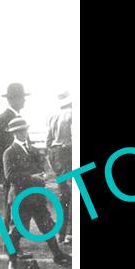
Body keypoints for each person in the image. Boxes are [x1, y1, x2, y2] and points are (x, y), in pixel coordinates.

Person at [3, 116, 72, 269]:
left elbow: (41, 168)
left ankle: (57, 254)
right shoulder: (9, 152)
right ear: (14, 134)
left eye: (24, 130)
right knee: (18, 230)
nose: (23, 133)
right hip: (20, 198)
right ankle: (11, 265)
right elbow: (10, 176)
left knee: (47, 226)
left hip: (36, 196)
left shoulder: (33, 150)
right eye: (19, 131)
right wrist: (35, 178)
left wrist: (43, 175)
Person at [0, 83, 28, 197]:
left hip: (21, 170)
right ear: (13, 100)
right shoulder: (3, 119)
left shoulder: (17, 118)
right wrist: (0, 170)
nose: (24, 100)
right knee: (11, 202)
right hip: (10, 170)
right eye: (21, 97)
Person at [46, 91, 73, 244]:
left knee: (64, 195)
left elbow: (48, 142)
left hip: (57, 155)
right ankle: (70, 233)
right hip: (69, 152)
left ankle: (62, 234)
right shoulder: (72, 114)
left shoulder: (53, 116)